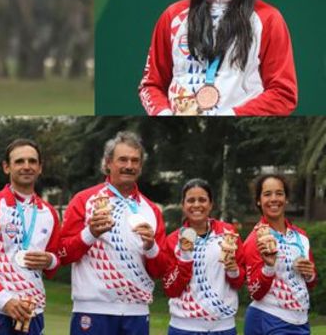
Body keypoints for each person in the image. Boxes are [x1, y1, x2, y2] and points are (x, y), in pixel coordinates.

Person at [139, 0, 297, 116]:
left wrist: (231, 114)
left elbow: (284, 95)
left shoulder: (268, 19)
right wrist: (164, 114)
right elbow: (150, 85)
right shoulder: (173, 16)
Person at [59, 131, 167, 335]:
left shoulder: (151, 210)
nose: (129, 165)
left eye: (135, 161)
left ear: (141, 167)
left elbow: (160, 270)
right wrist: (89, 234)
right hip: (92, 311)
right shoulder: (85, 200)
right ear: (108, 163)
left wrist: (151, 247)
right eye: (123, 159)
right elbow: (62, 253)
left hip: (136, 313)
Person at [0, 139, 61, 335]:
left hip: (32, 311)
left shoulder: (49, 213)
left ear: (40, 167)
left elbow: (55, 260)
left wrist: (50, 260)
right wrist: (4, 300)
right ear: (6, 167)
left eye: (32, 161)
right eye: (19, 161)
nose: (27, 166)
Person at [162, 179, 245, 335]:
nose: (196, 205)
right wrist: (185, 257)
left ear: (211, 204)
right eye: (191, 200)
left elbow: (239, 282)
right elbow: (171, 289)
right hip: (184, 327)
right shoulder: (173, 240)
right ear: (183, 205)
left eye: (202, 200)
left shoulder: (228, 234)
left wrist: (233, 270)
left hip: (223, 327)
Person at [243, 174, 318, 335]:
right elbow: (255, 292)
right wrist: (269, 267)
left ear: (286, 199)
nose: (274, 199)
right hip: (268, 319)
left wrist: (310, 274)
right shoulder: (255, 239)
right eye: (267, 194)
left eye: (279, 193)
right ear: (258, 201)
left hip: (301, 321)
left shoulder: (301, 237)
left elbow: (310, 283)